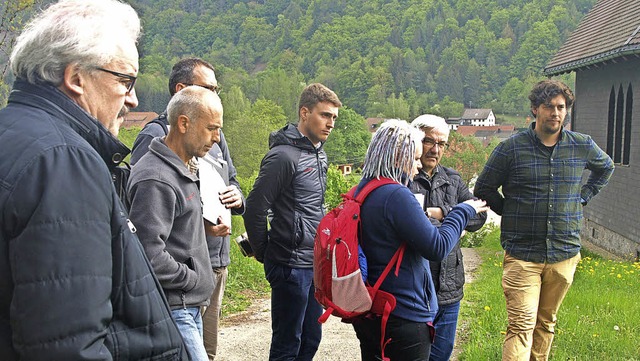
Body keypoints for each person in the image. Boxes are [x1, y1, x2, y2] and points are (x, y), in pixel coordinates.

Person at [0, 0, 188, 359]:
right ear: (76, 78)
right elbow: (68, 348)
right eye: (125, 80)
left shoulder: (15, 135)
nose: (132, 99)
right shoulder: (63, 160)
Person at [474, 79, 614, 361]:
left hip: (564, 253)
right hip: (522, 254)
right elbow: (484, 188)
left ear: (567, 111)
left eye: (561, 107)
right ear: (535, 110)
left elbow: (606, 167)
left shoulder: (581, 145)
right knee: (521, 326)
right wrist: (510, 210)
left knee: (546, 324)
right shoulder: (511, 149)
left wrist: (583, 197)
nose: (555, 112)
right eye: (548, 106)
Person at [130, 56, 244, 361]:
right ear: (183, 123)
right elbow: (147, 251)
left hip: (192, 299)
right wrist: (194, 278)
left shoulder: (188, 163)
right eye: (211, 129)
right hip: (175, 303)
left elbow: (178, 217)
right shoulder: (156, 173)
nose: (217, 138)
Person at [351, 119, 488, 361]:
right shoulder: (396, 194)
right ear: (397, 157)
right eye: (414, 159)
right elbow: (437, 246)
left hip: (375, 304)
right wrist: (460, 211)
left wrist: (439, 216)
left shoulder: (364, 188)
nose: (416, 168)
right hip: (403, 311)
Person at [243, 83, 342, 360]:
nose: (330, 123)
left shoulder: (318, 152)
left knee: (311, 338)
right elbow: (254, 208)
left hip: (313, 262)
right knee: (288, 343)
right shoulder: (283, 156)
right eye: (325, 115)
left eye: (334, 117)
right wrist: (266, 253)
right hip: (289, 264)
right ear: (304, 113)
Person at [409, 114, 488, 361]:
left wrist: (444, 213)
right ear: (415, 140)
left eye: (441, 144)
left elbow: (480, 215)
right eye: (429, 141)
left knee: (441, 355)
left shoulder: (452, 179)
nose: (435, 149)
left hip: (450, 286)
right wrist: (455, 218)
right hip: (417, 287)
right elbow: (412, 224)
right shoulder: (404, 177)